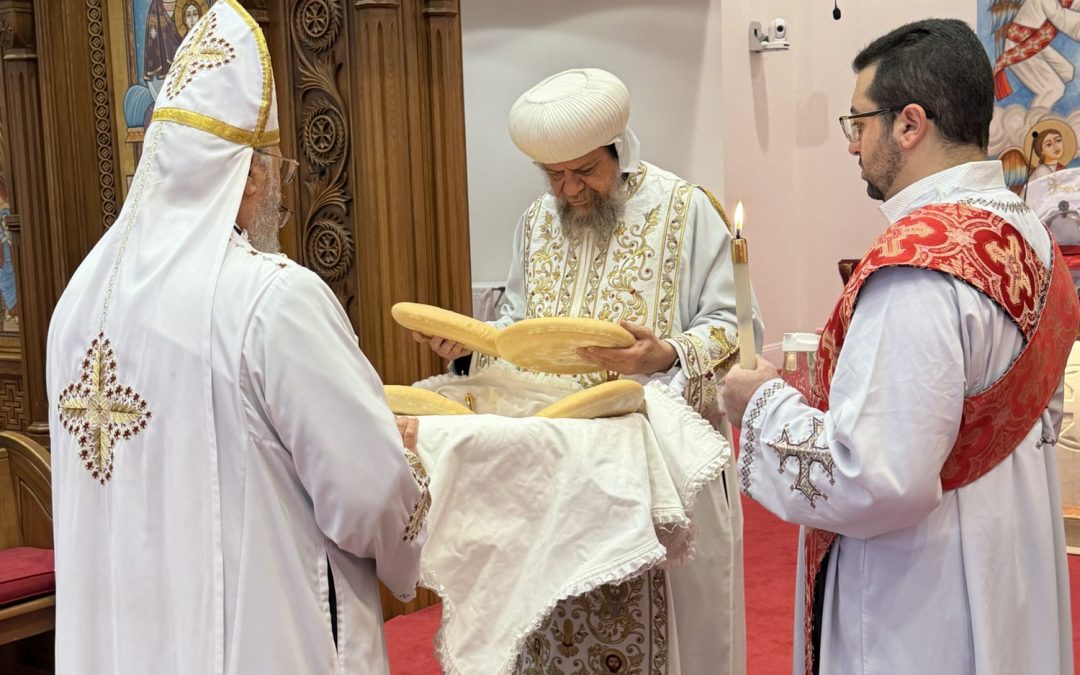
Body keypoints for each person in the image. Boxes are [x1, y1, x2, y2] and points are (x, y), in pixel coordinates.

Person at [46, 3, 428, 674]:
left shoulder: (77, 303)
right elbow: (368, 495)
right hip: (265, 637)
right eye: (275, 172)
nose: (276, 193)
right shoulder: (270, 298)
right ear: (247, 175)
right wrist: (402, 460)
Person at [722, 19, 1078, 675]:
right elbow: (1032, 412)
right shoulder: (1028, 232)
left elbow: (877, 477)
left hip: (928, 592)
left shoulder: (918, 270)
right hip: (1010, 546)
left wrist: (762, 402)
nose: (852, 145)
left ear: (909, 124)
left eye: (857, 123)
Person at [416, 67, 763, 674]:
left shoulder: (685, 211)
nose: (570, 190)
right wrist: (469, 349)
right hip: (557, 475)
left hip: (653, 475)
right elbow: (517, 330)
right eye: (555, 175)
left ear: (619, 151)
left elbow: (739, 329)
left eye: (585, 171)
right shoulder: (535, 223)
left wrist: (666, 354)